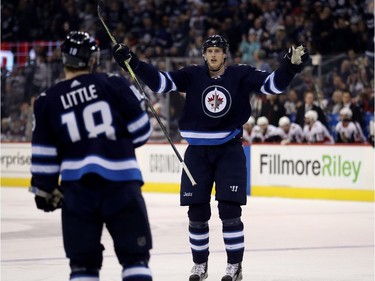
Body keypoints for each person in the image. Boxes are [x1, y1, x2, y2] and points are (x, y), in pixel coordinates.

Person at [112, 34, 309, 281]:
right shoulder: (192, 75)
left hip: (229, 151)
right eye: (209, 51)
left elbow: (273, 85)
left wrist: (288, 68)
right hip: (196, 153)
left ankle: (234, 267)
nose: (213, 55)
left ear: (225, 54)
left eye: (218, 50)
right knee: (196, 213)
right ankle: (200, 265)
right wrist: (134, 62)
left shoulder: (241, 74)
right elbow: (161, 83)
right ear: (204, 55)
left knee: (229, 211)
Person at [30, 31, 153, 281]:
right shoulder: (113, 83)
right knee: (135, 258)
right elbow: (142, 131)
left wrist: (44, 190)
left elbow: (44, 159)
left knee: (83, 266)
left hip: (78, 191)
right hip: (122, 185)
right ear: (93, 59)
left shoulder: (47, 100)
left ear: (64, 60)